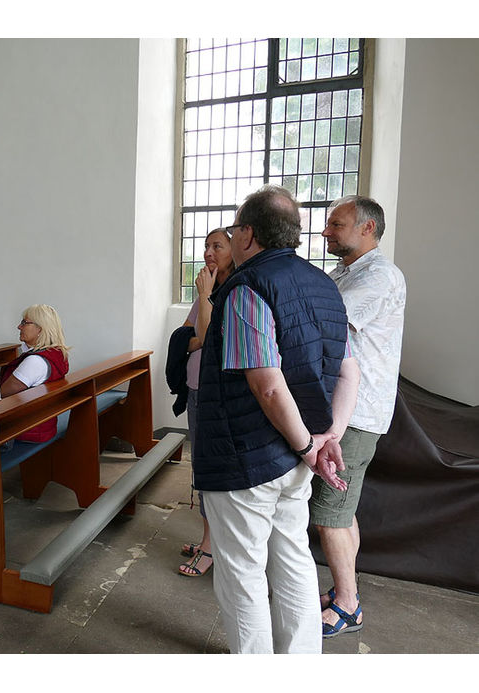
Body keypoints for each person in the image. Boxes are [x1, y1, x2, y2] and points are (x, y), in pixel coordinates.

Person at [193, 185, 360, 654]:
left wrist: (310, 445)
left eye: (233, 229)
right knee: (292, 559)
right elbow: (350, 370)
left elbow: (266, 383)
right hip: (295, 457)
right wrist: (328, 437)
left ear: (247, 233)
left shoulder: (248, 287)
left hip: (249, 455)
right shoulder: (325, 285)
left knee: (243, 570)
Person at [311, 195, 406, 638]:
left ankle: (348, 605)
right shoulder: (345, 273)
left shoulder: (381, 277)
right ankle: (342, 589)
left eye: (337, 224)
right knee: (343, 511)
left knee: (330, 512)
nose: (326, 231)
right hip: (344, 410)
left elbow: (325, 324)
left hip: (354, 414)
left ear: (367, 228)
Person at [177, 228, 235, 578]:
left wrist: (205, 297)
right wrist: (199, 335)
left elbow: (211, 338)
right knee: (199, 467)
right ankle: (208, 540)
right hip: (196, 389)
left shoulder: (228, 291)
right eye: (206, 246)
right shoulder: (208, 292)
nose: (209, 252)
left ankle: (211, 548)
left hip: (218, 393)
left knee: (211, 470)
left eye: (218, 245)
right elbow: (185, 340)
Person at [0, 304, 69, 442]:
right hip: (42, 424)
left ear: (40, 329)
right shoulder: (57, 353)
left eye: (24, 323)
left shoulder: (35, 362)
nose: (19, 327)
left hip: (25, 429)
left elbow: (2, 394)